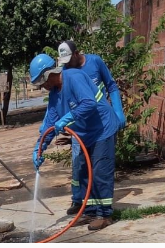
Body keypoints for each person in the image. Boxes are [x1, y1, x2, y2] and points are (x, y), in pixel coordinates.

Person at [30, 53, 120, 231]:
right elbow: (50, 123)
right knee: (84, 174)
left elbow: (89, 103)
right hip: (85, 134)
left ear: (48, 74)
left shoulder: (74, 77)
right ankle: (90, 211)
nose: (42, 86)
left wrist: (69, 117)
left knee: (100, 172)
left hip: (102, 130)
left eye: (42, 82)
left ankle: (104, 215)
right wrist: (39, 148)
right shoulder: (55, 94)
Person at [58, 40, 126, 216]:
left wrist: (118, 111)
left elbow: (111, 85)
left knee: (98, 169)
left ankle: (101, 211)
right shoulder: (66, 71)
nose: (66, 66)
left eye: (69, 61)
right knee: (80, 168)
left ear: (76, 53)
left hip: (100, 122)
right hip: (80, 126)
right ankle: (79, 202)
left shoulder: (95, 62)